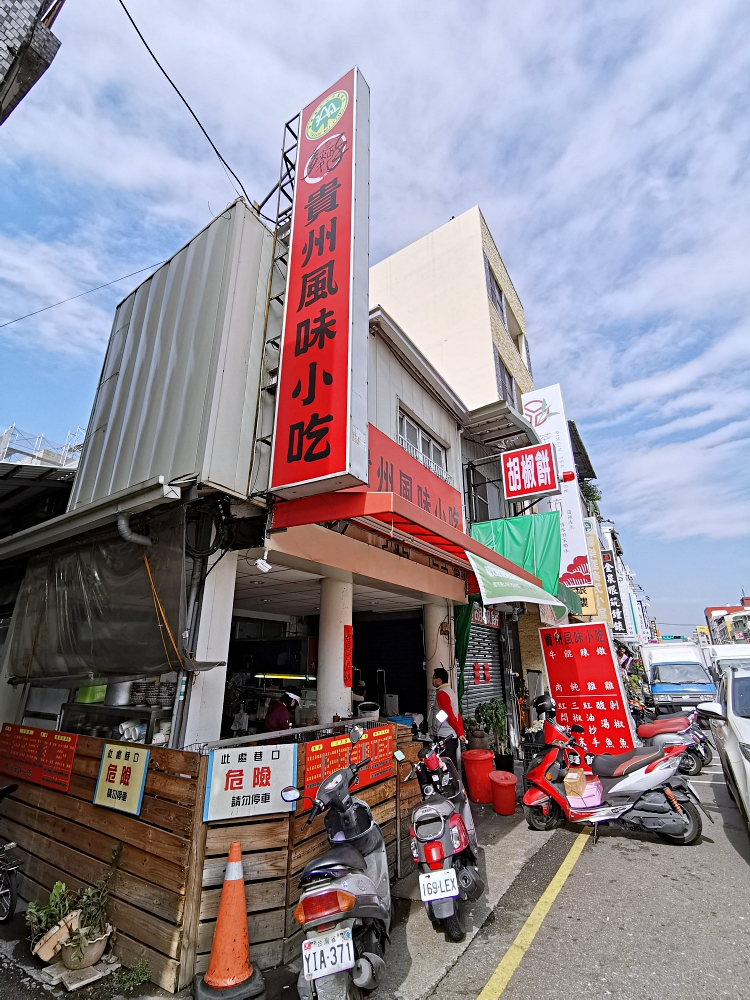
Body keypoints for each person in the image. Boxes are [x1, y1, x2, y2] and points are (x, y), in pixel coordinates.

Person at [429, 667, 465, 765]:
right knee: (451, 765)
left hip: (445, 737)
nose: (433, 679)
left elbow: (449, 714)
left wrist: (459, 731)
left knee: (445, 766)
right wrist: (460, 731)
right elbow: (457, 714)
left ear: (439, 680)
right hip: (450, 736)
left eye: (434, 677)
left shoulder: (442, 693)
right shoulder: (451, 691)